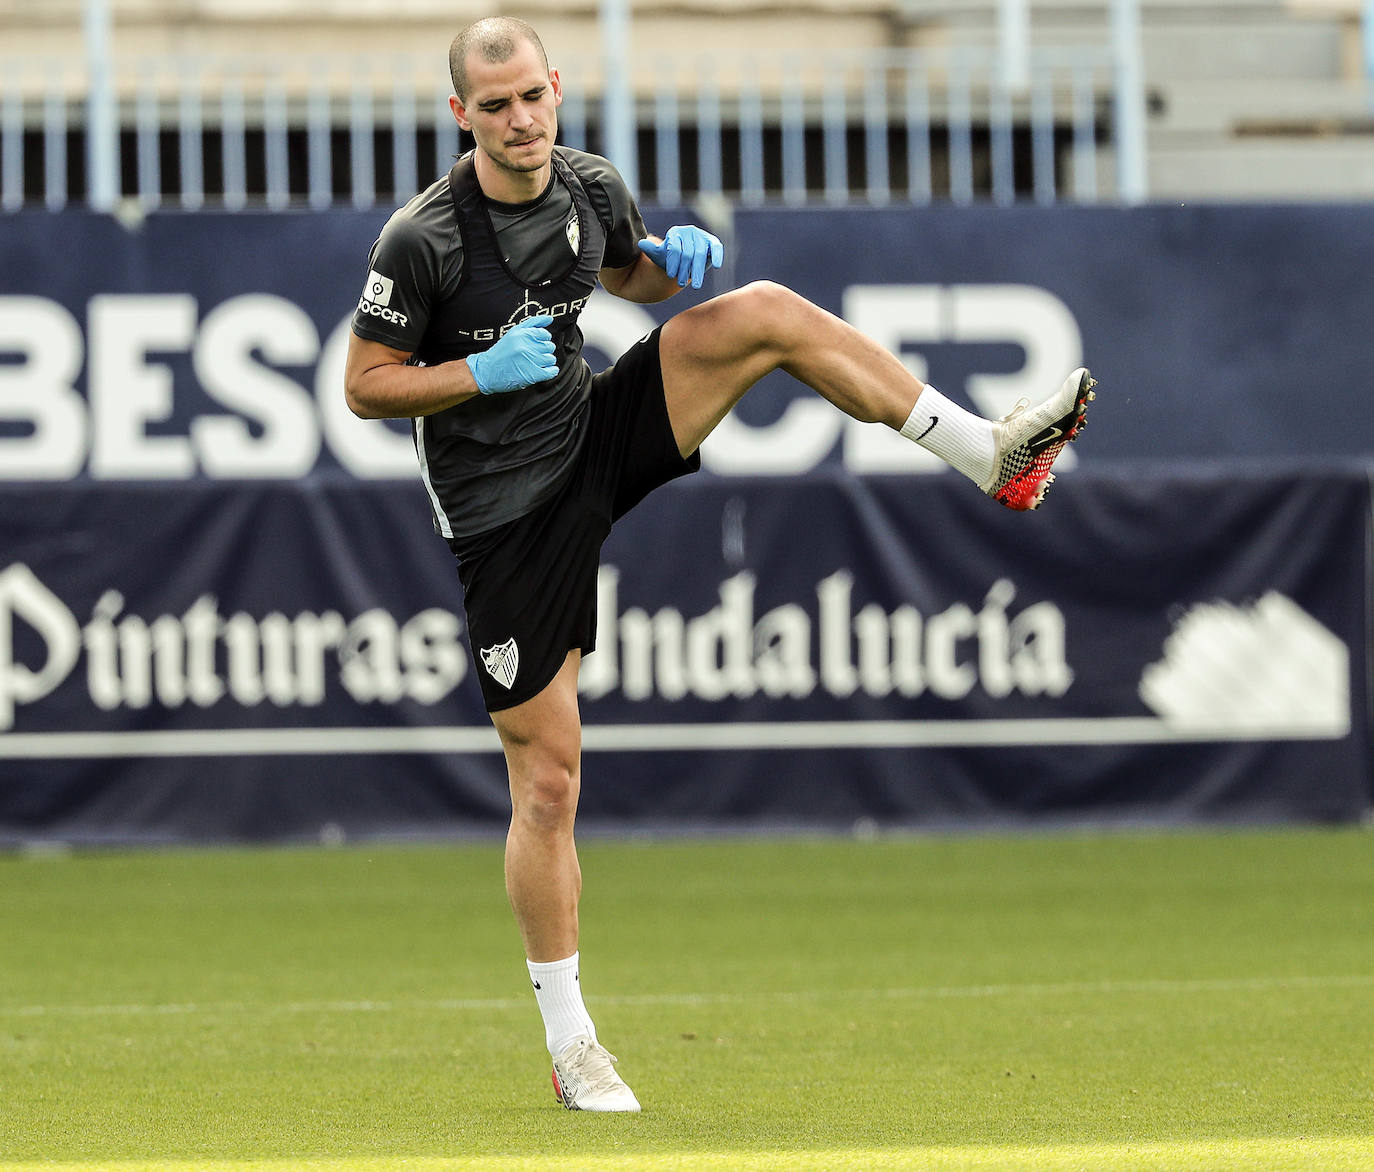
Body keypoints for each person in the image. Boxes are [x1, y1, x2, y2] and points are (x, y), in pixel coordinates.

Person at [344, 16, 1096, 1113]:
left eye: (532, 97)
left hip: (591, 432)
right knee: (548, 780)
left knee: (762, 315)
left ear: (557, 87)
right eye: (493, 106)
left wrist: (664, 265)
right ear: (461, 114)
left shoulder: (588, 183)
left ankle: (991, 456)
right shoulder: (424, 240)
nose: (520, 121)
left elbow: (630, 282)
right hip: (505, 515)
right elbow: (366, 384)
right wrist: (473, 373)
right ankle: (572, 1043)